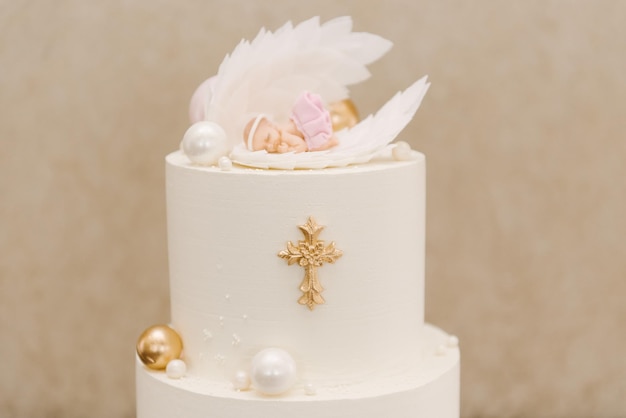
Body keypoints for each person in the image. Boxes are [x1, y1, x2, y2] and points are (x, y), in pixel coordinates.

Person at [244, 91, 338, 153]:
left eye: (268, 138)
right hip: (301, 123)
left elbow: (302, 146)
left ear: (271, 126)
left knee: (314, 148)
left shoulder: (283, 135)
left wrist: (288, 149)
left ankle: (330, 142)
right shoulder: (279, 134)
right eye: (265, 148)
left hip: (308, 128)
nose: (270, 145)